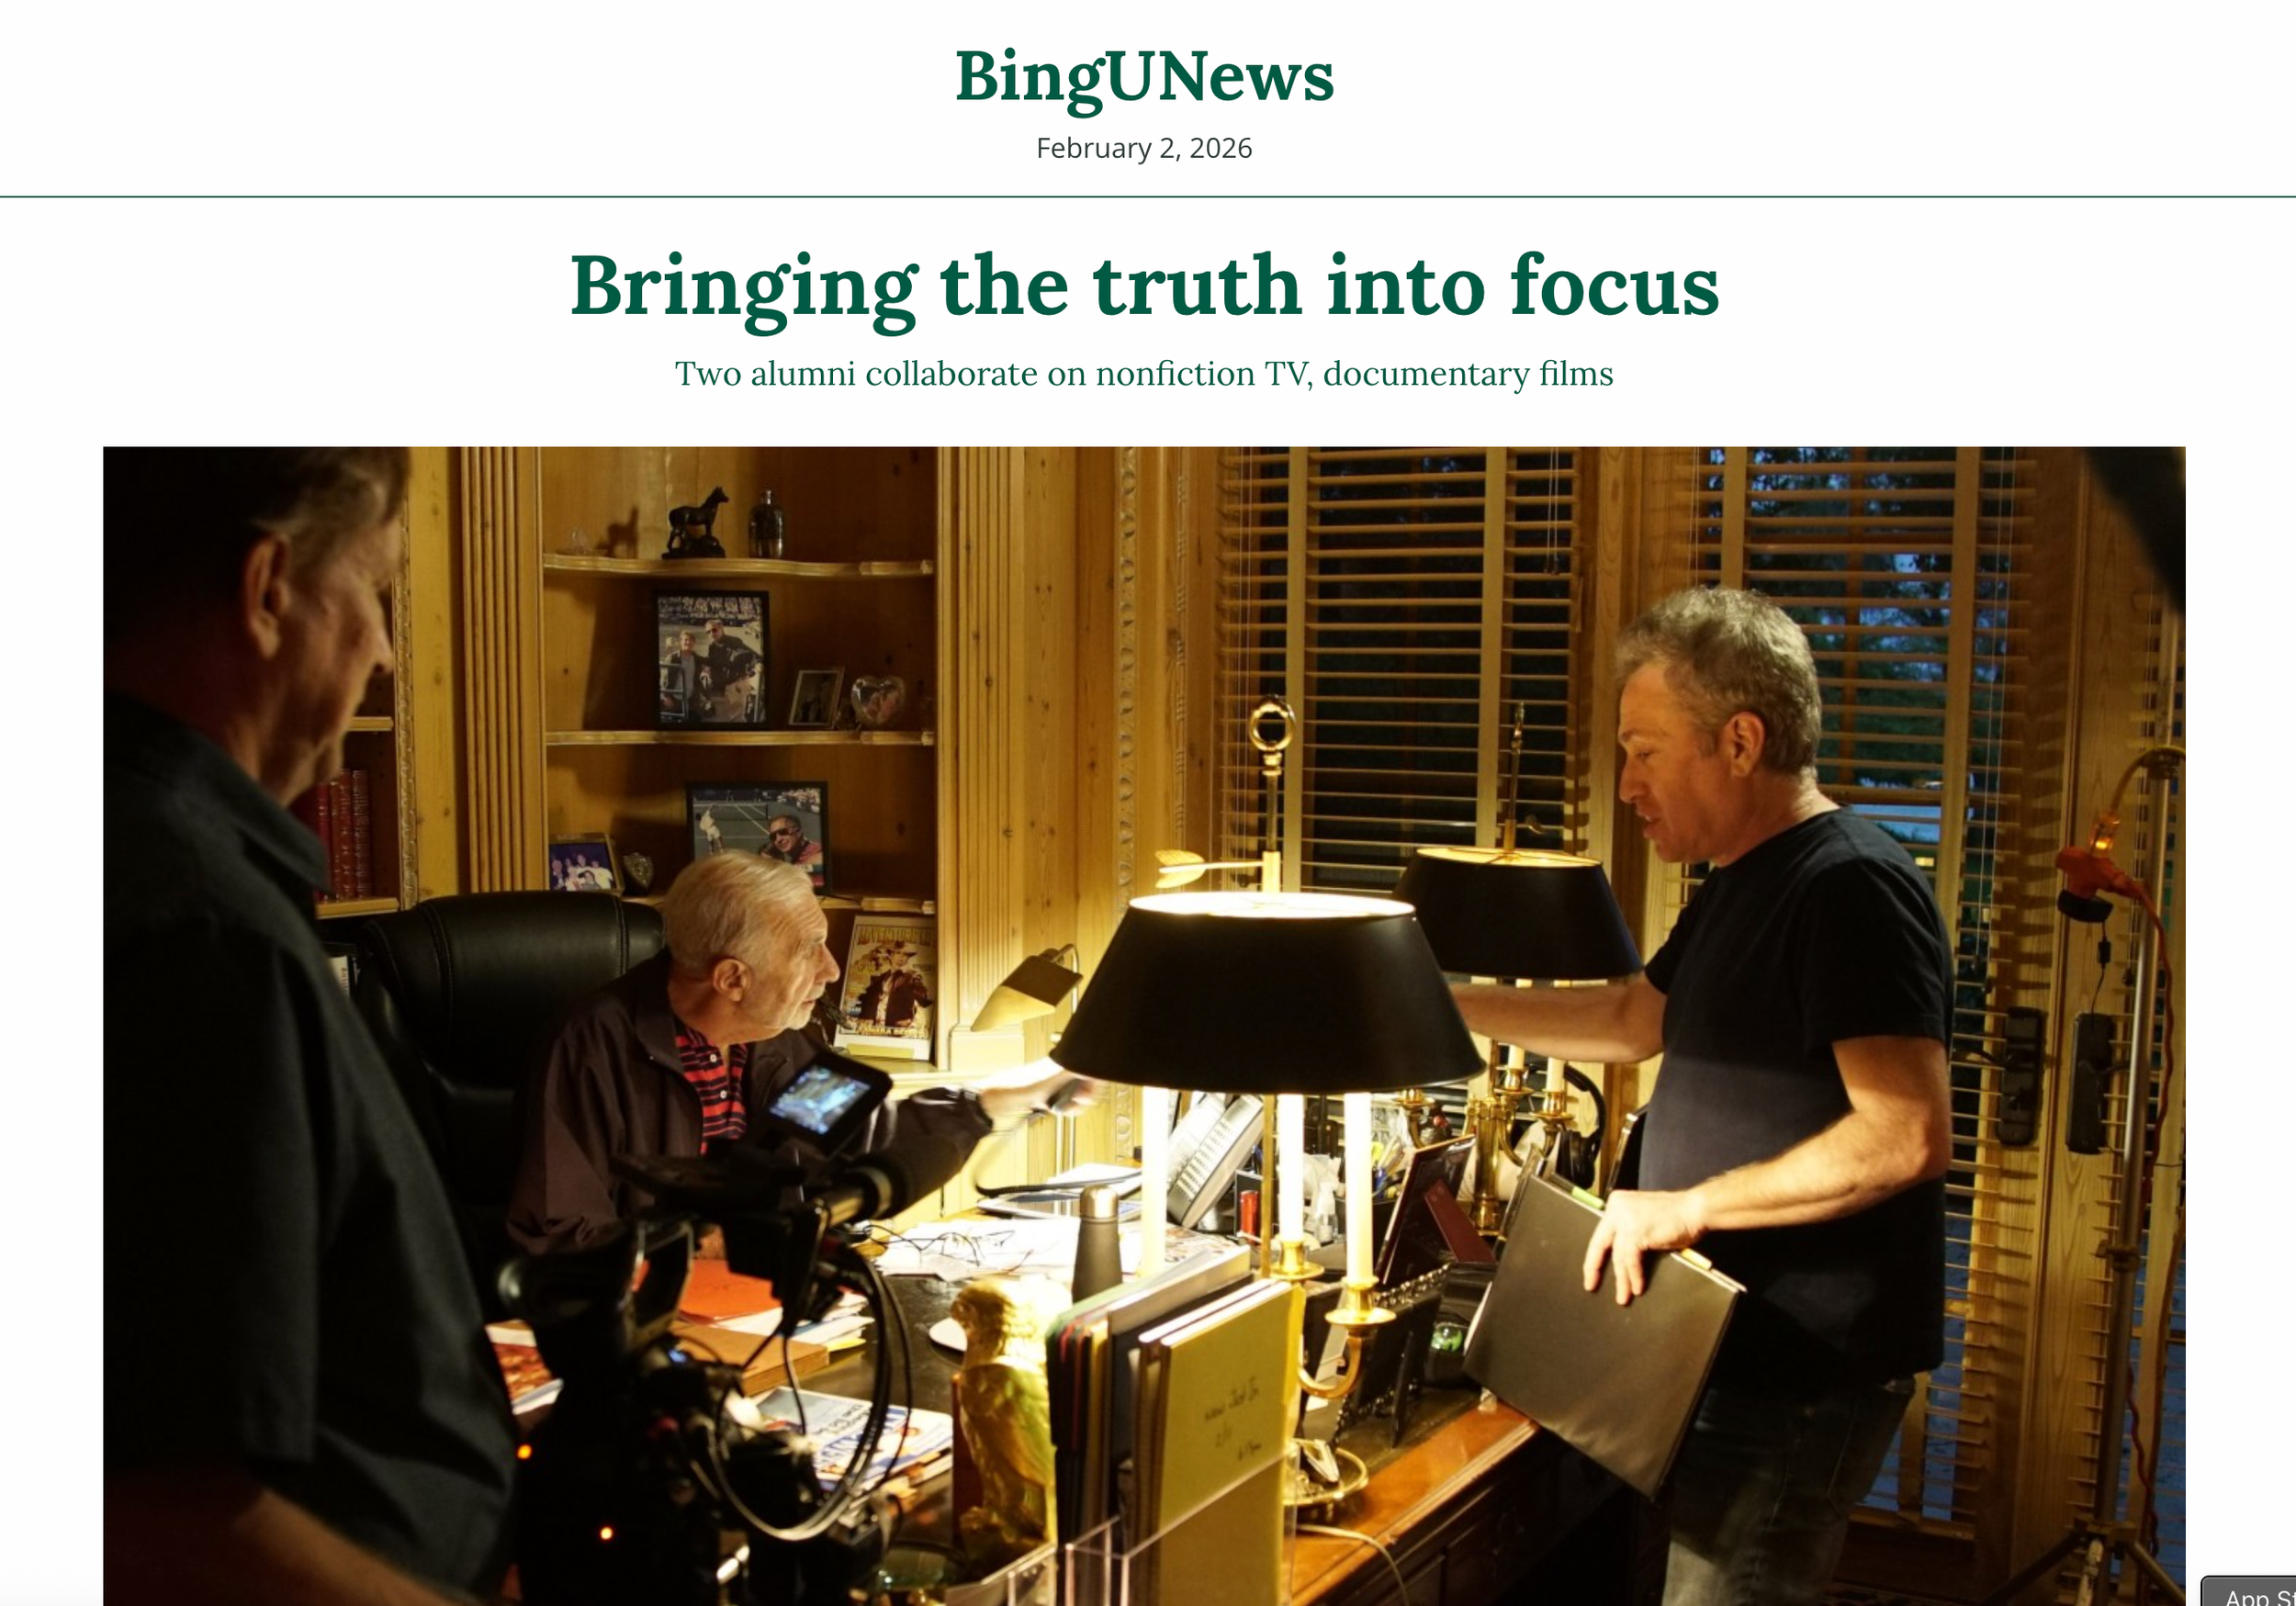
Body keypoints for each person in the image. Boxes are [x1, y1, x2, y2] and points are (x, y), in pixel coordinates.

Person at [1454, 586, 1950, 1606]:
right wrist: (1434, 1003)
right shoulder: (1745, 876)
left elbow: (1902, 1136)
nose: (1626, 783)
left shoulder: (1847, 887)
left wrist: (1685, 1207)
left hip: (1798, 1379)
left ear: (1737, 741)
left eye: (1643, 749)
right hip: (1722, 1356)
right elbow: (1638, 1019)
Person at [105, 449, 515, 1605]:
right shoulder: (193, 932)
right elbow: (150, 1516)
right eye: (376, 590)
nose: (384, 649)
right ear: (269, 588)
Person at [507, 853, 1082, 1253]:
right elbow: (560, 1235)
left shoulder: (776, 1038)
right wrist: (705, 1246)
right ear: (732, 979)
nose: (832, 970)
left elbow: (863, 1144)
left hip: (761, 1315)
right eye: (809, 950)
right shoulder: (590, 1047)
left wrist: (992, 1103)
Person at [765, 811, 826, 889]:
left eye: (783, 832)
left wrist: (793, 870)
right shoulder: (794, 861)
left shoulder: (816, 849)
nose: (778, 839)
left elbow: (823, 858)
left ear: (798, 832)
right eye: (773, 837)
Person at [661, 627, 707, 722]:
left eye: (691, 640)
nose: (688, 643)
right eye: (686, 640)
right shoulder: (672, 658)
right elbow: (664, 680)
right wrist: (665, 696)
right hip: (675, 698)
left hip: (690, 698)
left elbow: (697, 677)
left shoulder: (697, 659)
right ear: (681, 642)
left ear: (694, 643)